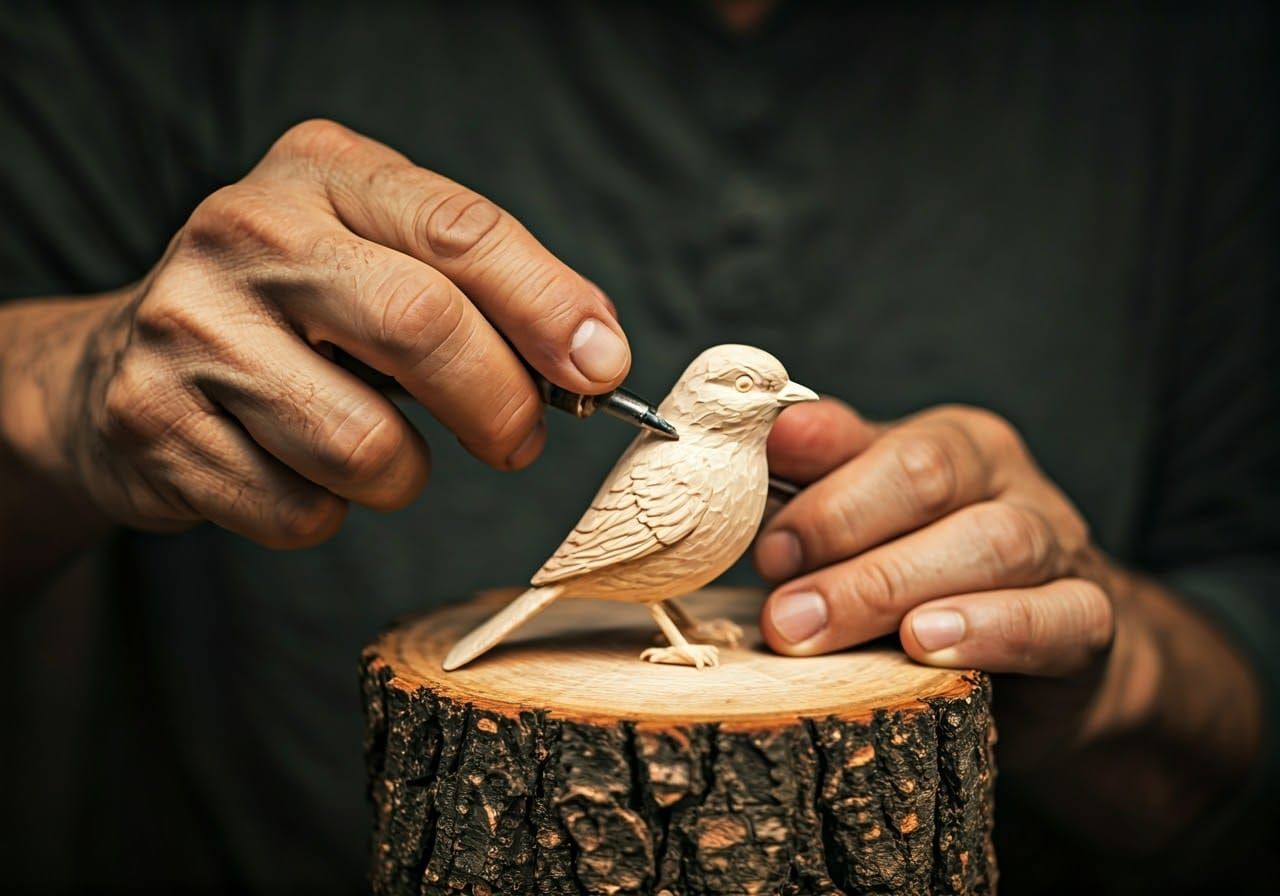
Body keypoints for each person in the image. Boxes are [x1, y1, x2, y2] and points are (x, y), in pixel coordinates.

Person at [1, 2, 1275, 892]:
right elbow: (616, 547)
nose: (777, 397)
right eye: (755, 385)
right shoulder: (147, 33)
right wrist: (63, 386)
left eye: (774, 388)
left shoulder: (1194, 53)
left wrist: (1121, 666)